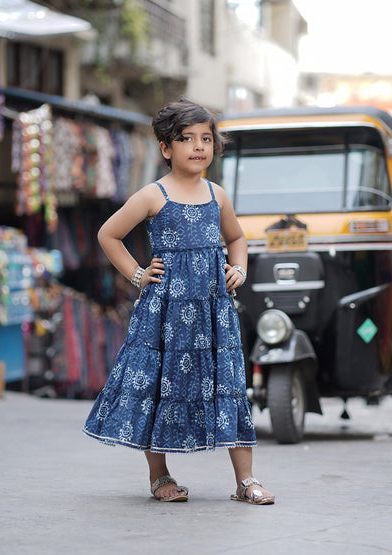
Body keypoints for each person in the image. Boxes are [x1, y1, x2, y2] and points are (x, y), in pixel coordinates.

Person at [83, 98, 275, 505]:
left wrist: (238, 268)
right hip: (165, 311)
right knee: (160, 384)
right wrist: (137, 274)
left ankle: (245, 481)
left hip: (212, 311)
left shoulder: (217, 194)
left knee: (229, 385)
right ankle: (160, 476)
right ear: (166, 149)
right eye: (186, 139)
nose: (198, 146)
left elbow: (237, 238)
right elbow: (108, 234)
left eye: (206, 138)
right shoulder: (152, 196)